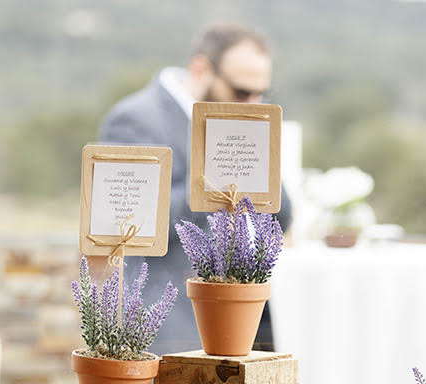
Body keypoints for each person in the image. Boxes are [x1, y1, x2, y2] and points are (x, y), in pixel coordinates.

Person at [98, 24, 294, 356]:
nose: (253, 102)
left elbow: (282, 215)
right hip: (171, 324)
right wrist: (213, 180)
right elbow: (124, 226)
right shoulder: (135, 119)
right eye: (242, 91)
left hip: (249, 322)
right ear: (202, 68)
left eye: (263, 93)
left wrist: (261, 157)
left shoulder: (243, 120)